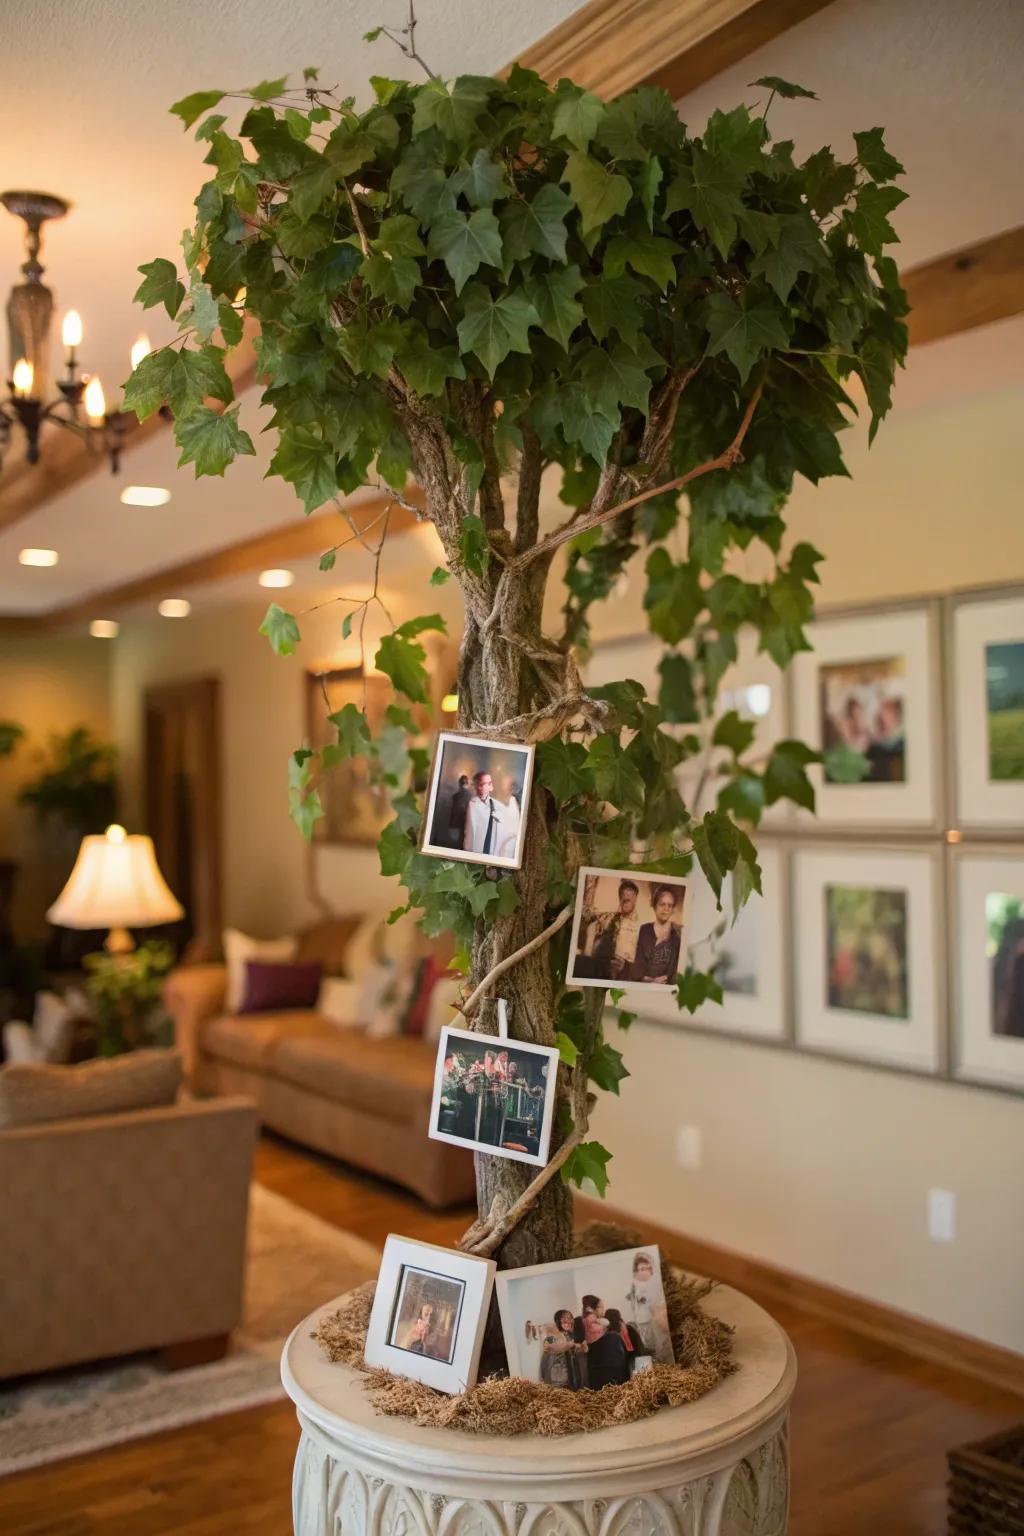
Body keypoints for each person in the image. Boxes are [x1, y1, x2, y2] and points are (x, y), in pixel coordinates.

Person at [577, 878, 641, 982]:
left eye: (629, 897)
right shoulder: (609, 918)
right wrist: (589, 951)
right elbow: (592, 927)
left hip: (623, 969)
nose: (625, 899)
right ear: (620, 898)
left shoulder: (639, 927)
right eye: (623, 897)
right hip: (602, 964)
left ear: (635, 899)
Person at [629, 885, 683, 984]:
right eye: (662, 904)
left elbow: (677, 969)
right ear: (654, 906)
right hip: (646, 985)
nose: (666, 908)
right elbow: (637, 968)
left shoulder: (677, 935)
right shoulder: (645, 930)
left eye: (670, 905)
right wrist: (652, 981)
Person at [574, 1294, 630, 1388]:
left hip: (594, 1376)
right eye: (601, 1307)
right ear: (591, 1309)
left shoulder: (584, 1325)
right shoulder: (608, 1334)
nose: (603, 1310)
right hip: (611, 1377)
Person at [626, 1253, 672, 1362]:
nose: (642, 1271)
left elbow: (655, 1304)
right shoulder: (635, 1285)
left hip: (653, 1318)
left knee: (660, 1343)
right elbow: (634, 1304)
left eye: (645, 1268)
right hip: (642, 1320)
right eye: (640, 1269)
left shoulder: (654, 1283)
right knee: (649, 1344)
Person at [463, 769, 513, 859]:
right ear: (478, 786)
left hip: (493, 850)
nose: (491, 786)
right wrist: (467, 852)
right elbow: (470, 830)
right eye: (487, 783)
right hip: (478, 851)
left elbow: (509, 825)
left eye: (491, 783)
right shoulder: (473, 805)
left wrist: (500, 818)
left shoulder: (497, 804)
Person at [539, 1309, 586, 1390]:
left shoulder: (569, 1334)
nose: (569, 1321)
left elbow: (575, 1351)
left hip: (570, 1376)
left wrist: (581, 1348)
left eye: (571, 1318)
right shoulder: (551, 1332)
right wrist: (572, 1344)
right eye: (564, 1319)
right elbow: (550, 1347)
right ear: (558, 1321)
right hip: (556, 1376)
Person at [447, 774, 472, 848]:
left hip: (455, 825)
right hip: (466, 825)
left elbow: (453, 812)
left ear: (459, 784)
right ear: (467, 784)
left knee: (455, 846)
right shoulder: (471, 796)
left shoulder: (455, 796)